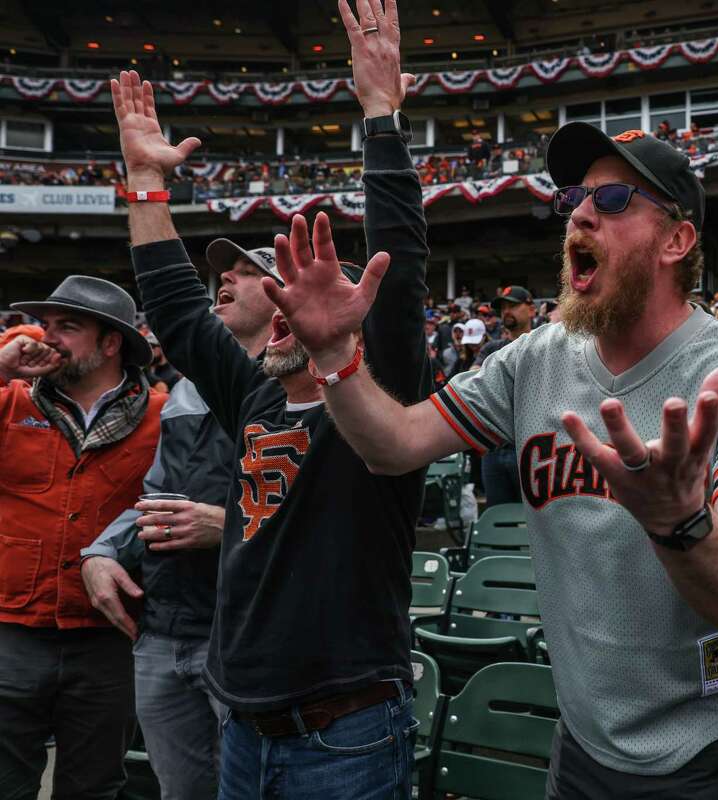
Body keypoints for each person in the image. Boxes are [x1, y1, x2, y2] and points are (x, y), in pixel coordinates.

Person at [267, 120, 718, 798]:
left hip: (703, 753)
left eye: (613, 201)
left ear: (677, 240)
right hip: (578, 744)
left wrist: (680, 520)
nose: (579, 211)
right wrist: (336, 358)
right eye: (577, 197)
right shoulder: (534, 360)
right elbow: (394, 445)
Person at [108, 0, 430, 792]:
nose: (286, 309)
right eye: (279, 294)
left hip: (344, 732)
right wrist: (147, 182)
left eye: (311, 295)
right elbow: (179, 313)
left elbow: (401, 261)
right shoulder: (255, 398)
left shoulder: (383, 408)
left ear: (353, 319)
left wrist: (380, 115)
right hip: (241, 723)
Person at [80, 239, 276, 800]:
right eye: (224, 272)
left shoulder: (308, 385)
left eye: (246, 272)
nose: (227, 280)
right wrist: (102, 551)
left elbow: (330, 514)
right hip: (164, 630)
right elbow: (156, 494)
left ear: (286, 297)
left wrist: (229, 524)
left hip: (243, 635)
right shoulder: (188, 390)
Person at [0, 276, 165, 800]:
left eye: (67, 327)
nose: (48, 339)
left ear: (111, 343)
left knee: (94, 787)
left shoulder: (164, 417)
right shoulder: (9, 402)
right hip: (10, 630)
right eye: (46, 325)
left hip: (109, 636)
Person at [477, 285, 536, 506]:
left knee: (536, 519)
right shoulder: (491, 349)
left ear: (531, 310)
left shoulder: (544, 345)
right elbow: (477, 383)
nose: (506, 312)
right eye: (503, 308)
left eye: (513, 305)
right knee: (498, 516)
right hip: (494, 448)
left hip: (531, 448)